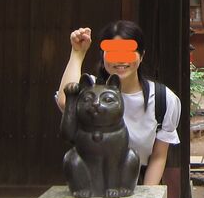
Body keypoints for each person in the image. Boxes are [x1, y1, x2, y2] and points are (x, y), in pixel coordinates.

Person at [55, 20, 180, 187]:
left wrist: (147, 195)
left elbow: (158, 156)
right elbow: (66, 101)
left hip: (136, 181)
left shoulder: (162, 99)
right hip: (92, 183)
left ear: (142, 55)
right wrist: (77, 53)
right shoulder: (91, 89)